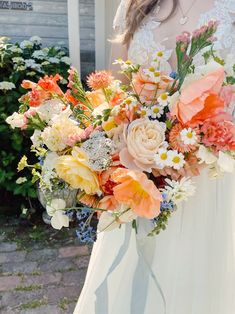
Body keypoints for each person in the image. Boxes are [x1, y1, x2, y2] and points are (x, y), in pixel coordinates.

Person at [74, 1, 235, 313]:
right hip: (139, 175)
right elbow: (115, 95)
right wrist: (128, 148)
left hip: (209, 180)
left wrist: (198, 145)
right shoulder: (134, 5)